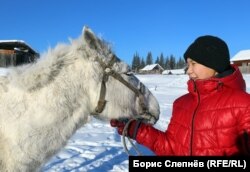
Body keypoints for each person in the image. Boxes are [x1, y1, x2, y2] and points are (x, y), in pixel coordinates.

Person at [111, 35, 250, 156]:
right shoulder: (182, 103)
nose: (188, 70)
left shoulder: (243, 105)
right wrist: (135, 129)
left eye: (193, 64)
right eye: (187, 64)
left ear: (214, 65)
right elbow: (171, 148)